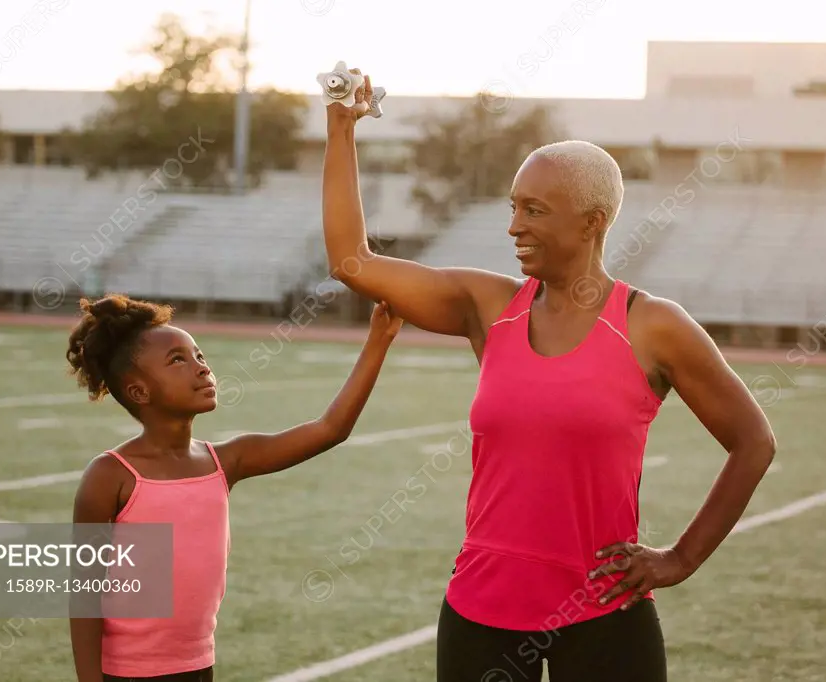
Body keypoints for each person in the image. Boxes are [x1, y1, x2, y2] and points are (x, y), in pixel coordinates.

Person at [321, 70, 777, 681]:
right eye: (514, 208)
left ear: (592, 221)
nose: (515, 226)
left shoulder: (653, 326)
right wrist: (341, 127)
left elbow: (753, 442)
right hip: (481, 609)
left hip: (604, 615)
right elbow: (353, 262)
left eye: (535, 210)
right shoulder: (487, 307)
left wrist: (680, 558)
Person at [65, 293, 402, 682]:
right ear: (140, 391)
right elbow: (84, 595)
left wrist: (379, 339)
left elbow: (330, 429)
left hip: (197, 666)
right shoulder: (110, 475)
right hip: (125, 674)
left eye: (200, 356)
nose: (202, 368)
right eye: (178, 360)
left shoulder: (226, 461)